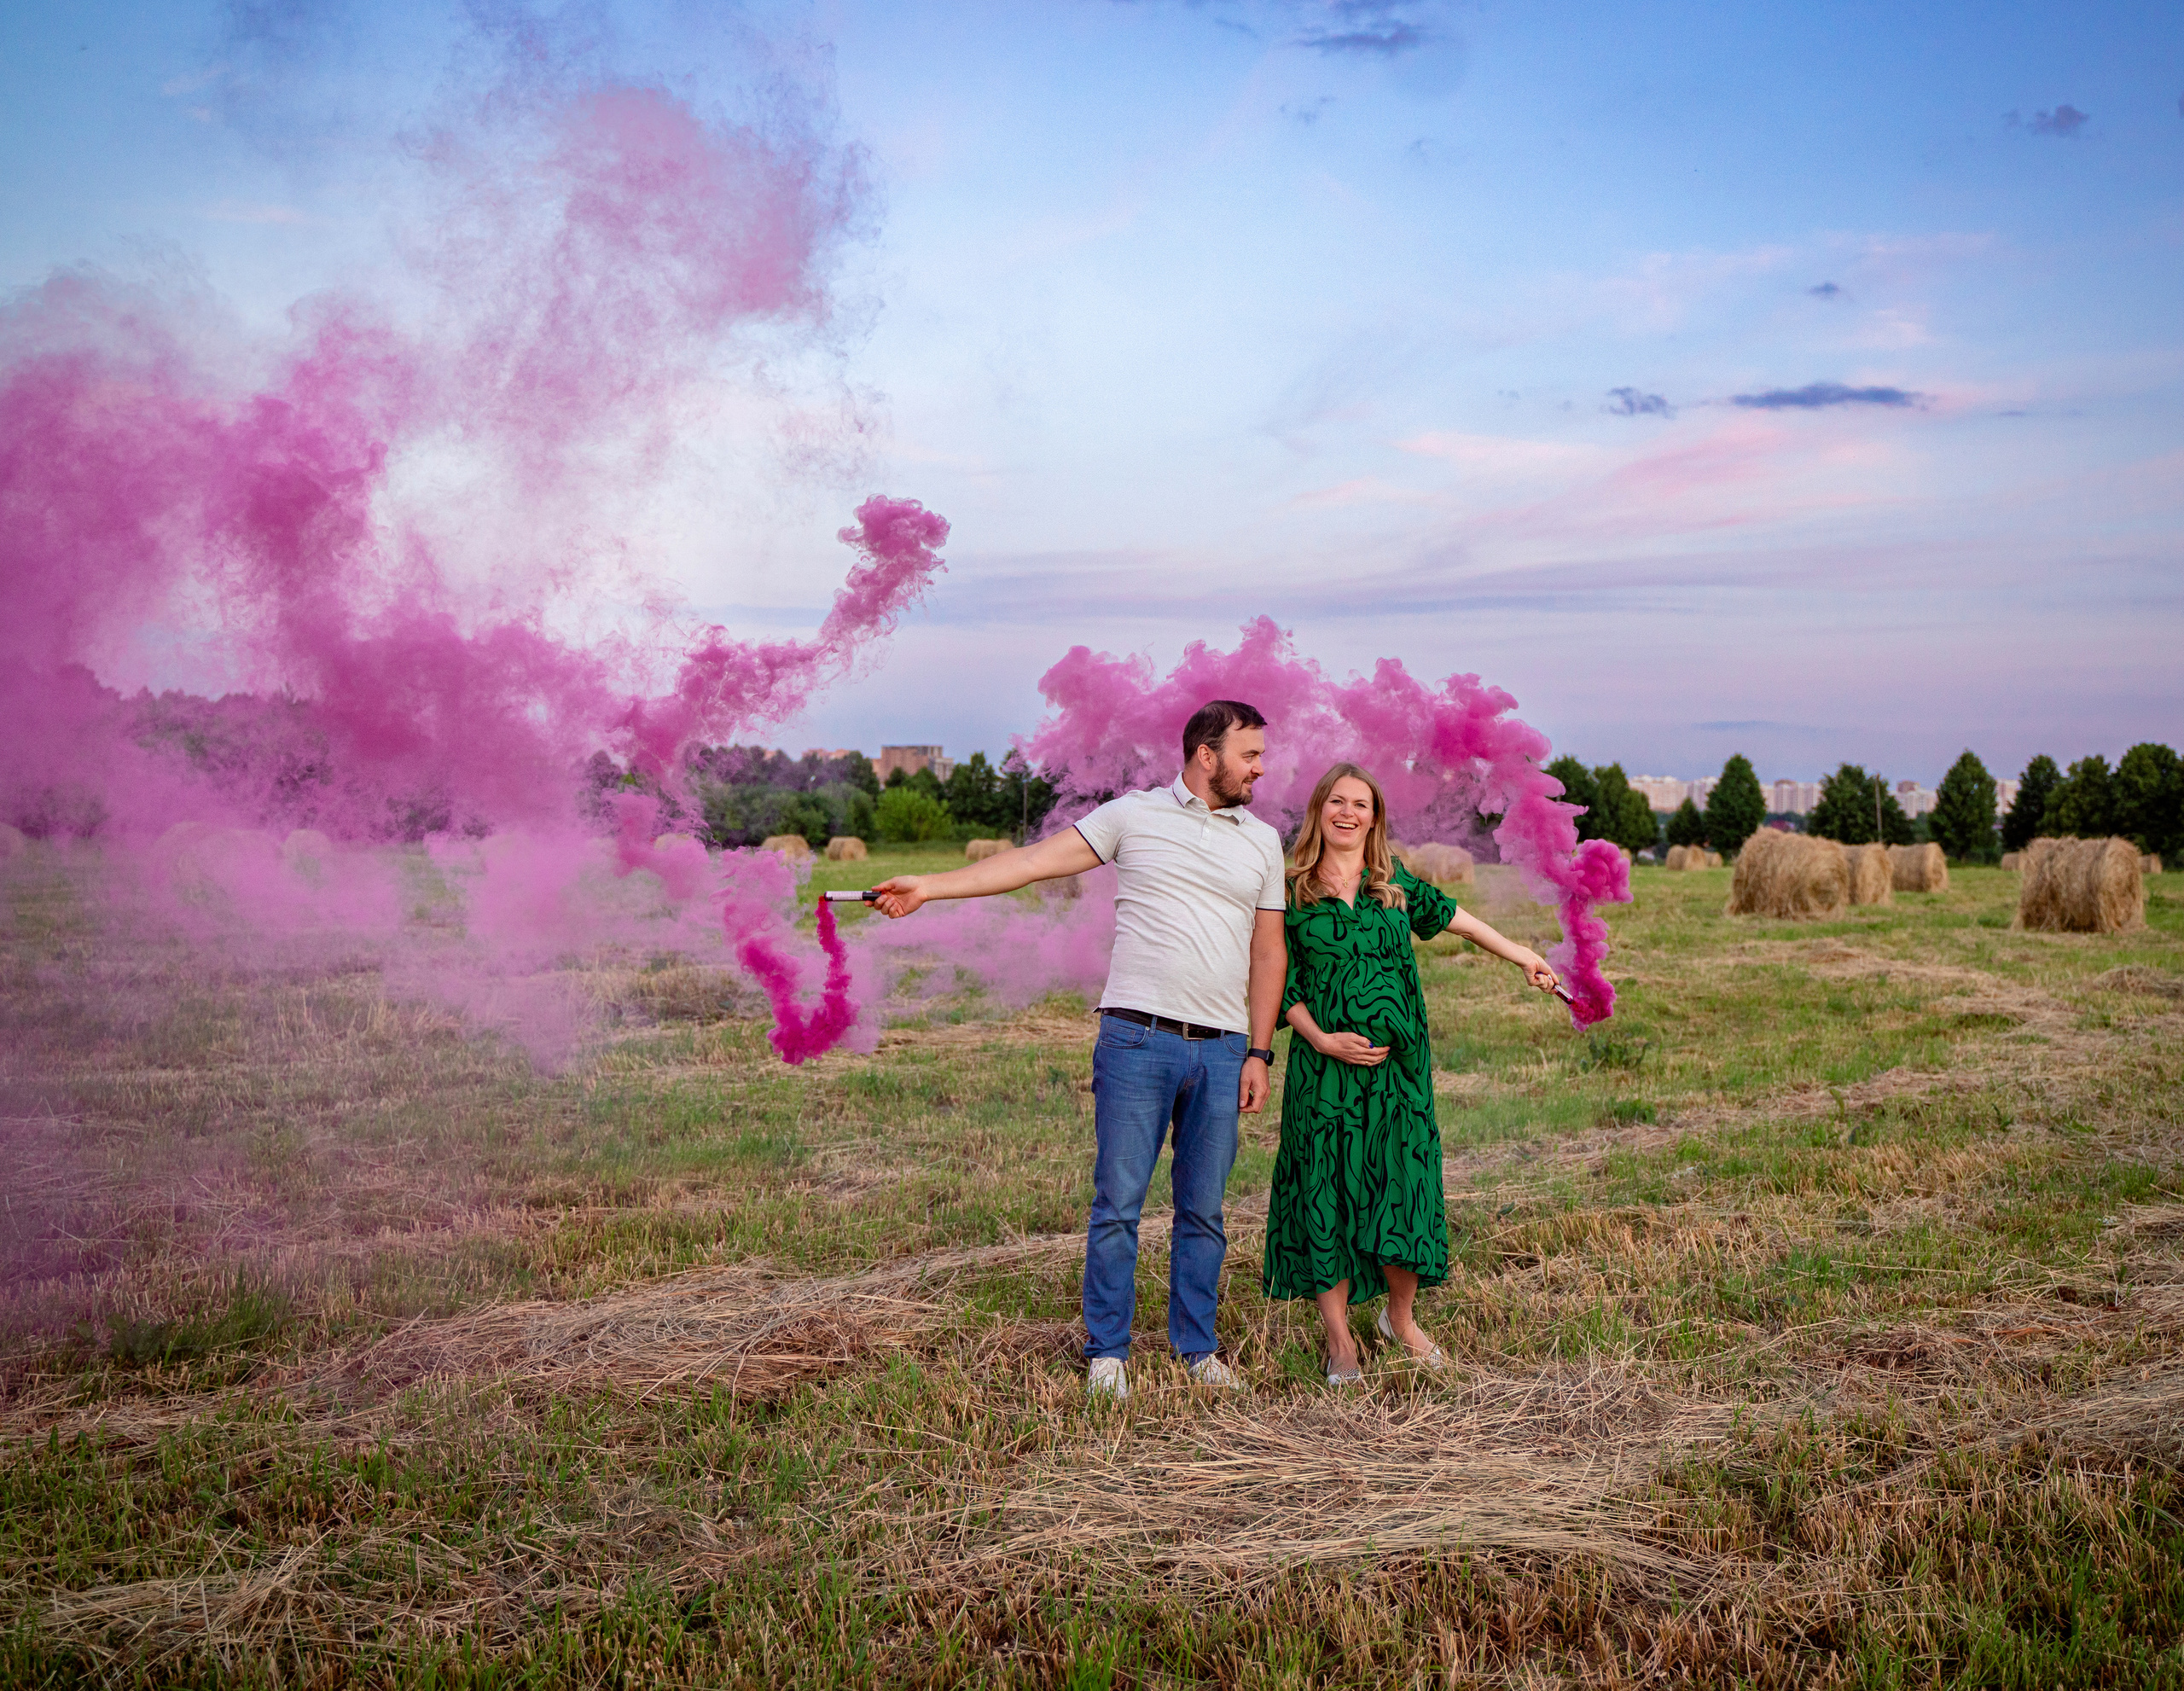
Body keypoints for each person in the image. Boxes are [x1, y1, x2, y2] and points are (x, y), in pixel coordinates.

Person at [869, 701, 1287, 1399]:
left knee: (1204, 1210)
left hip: (1222, 1049)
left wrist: (1260, 1052)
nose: (1261, 766)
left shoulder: (1263, 840)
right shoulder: (1132, 816)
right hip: (1136, 1038)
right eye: (1249, 754)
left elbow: (1269, 950)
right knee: (1119, 1203)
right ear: (1205, 755)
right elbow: (1033, 864)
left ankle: (1198, 1348)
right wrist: (930, 888)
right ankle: (1108, 1354)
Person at [1264, 762, 1560, 1385]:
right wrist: (1319, 1037)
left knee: (1402, 1186)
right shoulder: (1288, 889)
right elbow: (1273, 979)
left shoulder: (1390, 881)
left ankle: (1400, 1318)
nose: (1348, 813)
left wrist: (1522, 956)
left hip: (1400, 1075)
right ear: (1319, 809)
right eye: (1337, 801)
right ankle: (1339, 1338)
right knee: (1328, 1191)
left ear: (1375, 818)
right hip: (1325, 1074)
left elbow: (1458, 918)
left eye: (1361, 805)